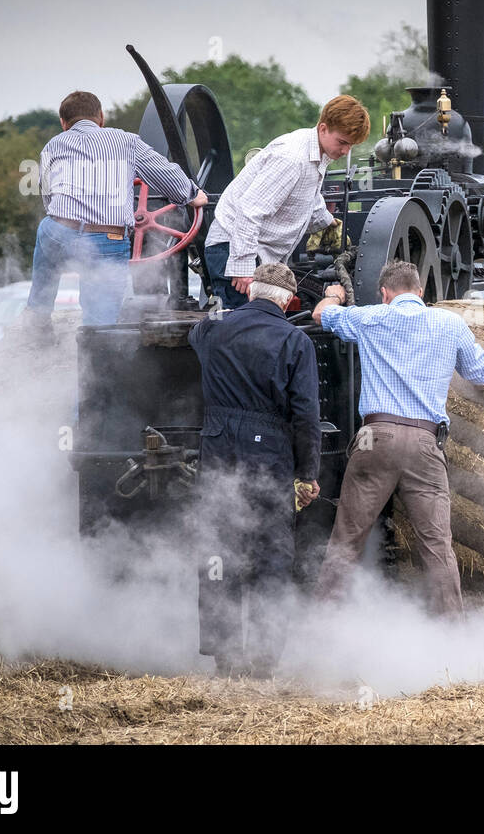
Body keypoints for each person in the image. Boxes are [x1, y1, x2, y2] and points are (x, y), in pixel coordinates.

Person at [310, 261, 484, 617]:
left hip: (374, 439)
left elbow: (321, 316)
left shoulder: (369, 318)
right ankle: (451, 636)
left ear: (384, 294)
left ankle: (322, 629)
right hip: (426, 445)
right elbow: (483, 376)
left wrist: (333, 295)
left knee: (346, 540)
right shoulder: (450, 324)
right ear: (421, 291)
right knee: (438, 547)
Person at [187, 262, 321, 677]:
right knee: (271, 558)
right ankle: (263, 662)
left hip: (218, 445)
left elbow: (193, 333)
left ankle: (224, 657)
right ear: (288, 302)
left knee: (218, 552)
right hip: (268, 452)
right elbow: (305, 416)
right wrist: (308, 473)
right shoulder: (296, 342)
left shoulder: (212, 329)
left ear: (250, 291)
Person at [26, 91, 209, 331]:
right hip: (105, 237)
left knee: (46, 239)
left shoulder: (53, 145)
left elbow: (47, 196)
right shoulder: (125, 142)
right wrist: (192, 195)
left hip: (58, 230)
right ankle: (94, 348)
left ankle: (38, 318)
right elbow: (166, 175)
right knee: (99, 324)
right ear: (101, 117)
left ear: (63, 124)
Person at [203, 95, 370, 308]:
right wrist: (242, 268)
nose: (346, 151)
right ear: (323, 128)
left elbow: (308, 196)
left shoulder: (318, 153)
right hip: (234, 250)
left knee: (258, 328)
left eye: (351, 145)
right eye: (343, 142)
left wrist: (328, 224)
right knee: (242, 330)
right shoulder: (291, 158)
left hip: (253, 254)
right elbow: (249, 210)